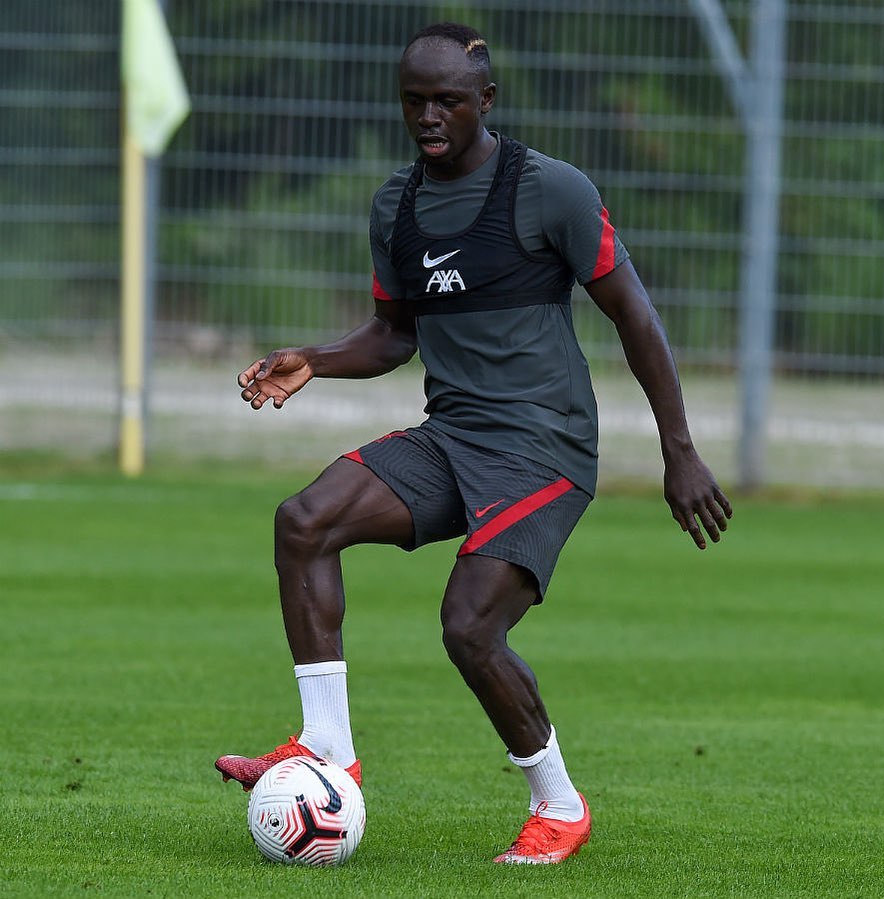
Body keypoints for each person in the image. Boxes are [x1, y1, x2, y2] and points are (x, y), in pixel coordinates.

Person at [215, 22, 732, 865]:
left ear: (484, 101)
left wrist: (679, 449)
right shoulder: (396, 206)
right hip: (452, 436)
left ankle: (558, 805)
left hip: (544, 449)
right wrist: (314, 358)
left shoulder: (549, 190)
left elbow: (635, 316)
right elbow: (392, 335)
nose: (429, 116)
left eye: (447, 101)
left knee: (468, 626)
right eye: (414, 101)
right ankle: (327, 749)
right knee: (303, 519)